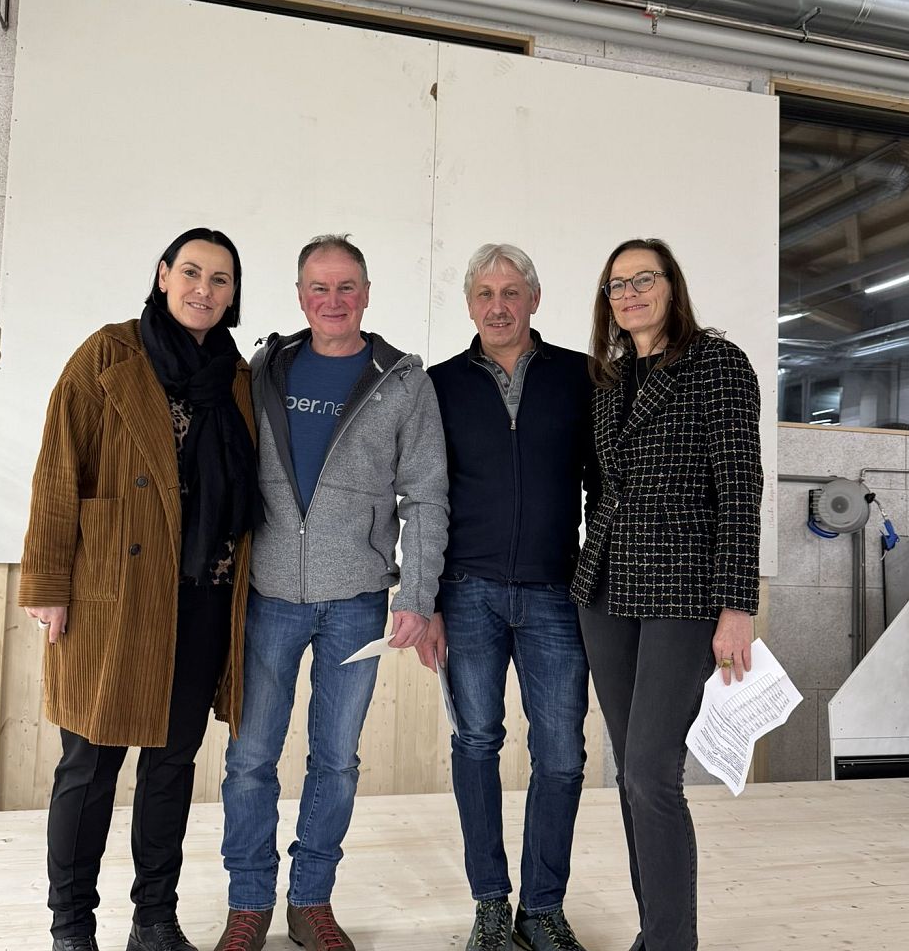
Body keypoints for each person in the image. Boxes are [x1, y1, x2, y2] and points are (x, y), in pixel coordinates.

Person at [19, 228, 263, 951]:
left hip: (205, 596)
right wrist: (48, 584)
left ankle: (154, 920)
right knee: (90, 765)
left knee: (171, 767)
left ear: (232, 294)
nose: (203, 290)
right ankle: (71, 926)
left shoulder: (237, 374)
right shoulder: (110, 354)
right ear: (162, 276)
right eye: (191, 272)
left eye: (220, 279)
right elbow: (57, 470)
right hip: (116, 597)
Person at [216, 234, 448, 951]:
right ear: (300, 296)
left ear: (367, 294)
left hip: (357, 601)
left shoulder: (402, 381)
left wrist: (417, 594)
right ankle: (248, 904)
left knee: (337, 760)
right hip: (269, 595)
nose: (333, 300)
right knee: (250, 758)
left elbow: (427, 494)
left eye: (347, 286)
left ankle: (310, 900)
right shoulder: (265, 368)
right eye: (319, 287)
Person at [570, 238, 763, 951]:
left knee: (653, 773)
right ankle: (655, 933)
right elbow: (598, 486)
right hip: (606, 589)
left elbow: (741, 487)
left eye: (643, 279)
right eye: (617, 285)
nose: (630, 294)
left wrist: (737, 605)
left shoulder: (718, 363)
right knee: (630, 774)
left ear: (671, 286)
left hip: (684, 589)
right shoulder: (608, 377)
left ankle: (672, 941)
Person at [423, 244, 597, 951]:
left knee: (562, 756)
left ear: (534, 299)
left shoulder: (581, 377)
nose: (498, 307)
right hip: (466, 592)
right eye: (485, 294)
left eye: (511, 292)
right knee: (476, 743)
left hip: (556, 593)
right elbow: (425, 499)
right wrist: (425, 600)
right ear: (470, 304)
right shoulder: (439, 385)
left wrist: (598, 583)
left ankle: (542, 909)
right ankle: (491, 905)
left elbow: (604, 487)